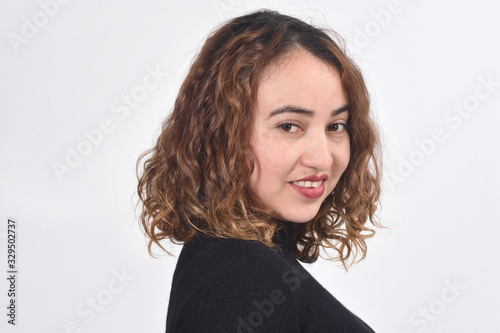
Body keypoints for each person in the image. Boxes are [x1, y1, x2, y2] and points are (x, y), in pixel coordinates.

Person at [137, 9, 382, 332]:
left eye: (336, 125)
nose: (323, 158)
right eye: (289, 126)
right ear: (224, 133)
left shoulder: (248, 264)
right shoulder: (235, 277)